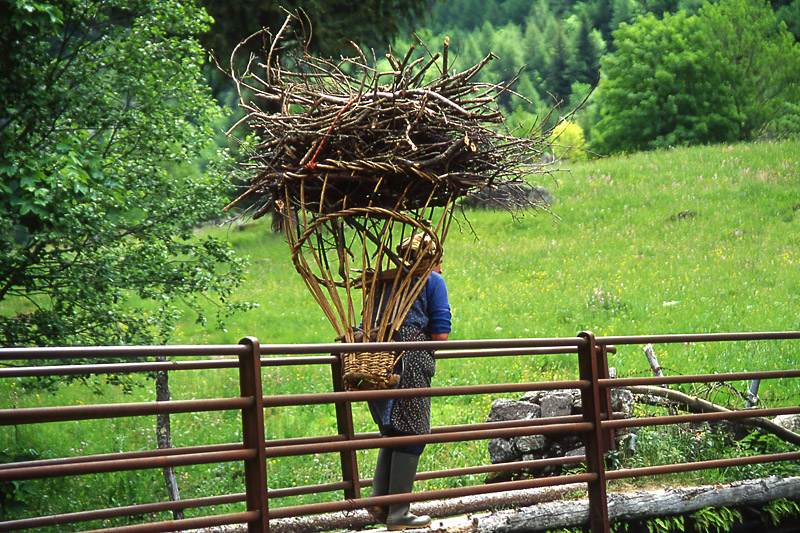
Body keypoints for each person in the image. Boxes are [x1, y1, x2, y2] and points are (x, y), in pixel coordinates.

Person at [366, 234, 451, 530]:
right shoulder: (431, 281)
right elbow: (441, 335)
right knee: (413, 433)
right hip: (411, 362)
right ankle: (399, 513)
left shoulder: (383, 281)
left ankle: (379, 503)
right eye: (439, 261)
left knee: (393, 429)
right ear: (432, 259)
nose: (441, 268)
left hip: (377, 359)